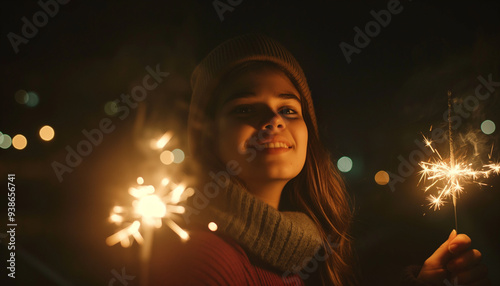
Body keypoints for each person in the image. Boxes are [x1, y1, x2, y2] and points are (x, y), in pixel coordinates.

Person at [152, 34, 490, 286]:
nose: (274, 120)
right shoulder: (202, 259)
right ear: (206, 135)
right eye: (244, 108)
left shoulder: (292, 258)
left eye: (288, 108)